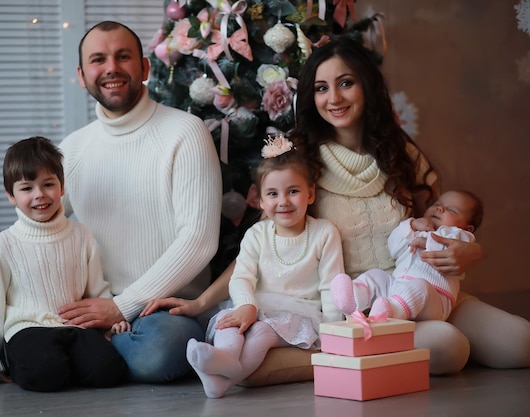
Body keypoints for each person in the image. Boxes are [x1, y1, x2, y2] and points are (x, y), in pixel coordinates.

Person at [143, 36, 530, 380]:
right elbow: (257, 249)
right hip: (364, 303)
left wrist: (472, 250)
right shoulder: (301, 161)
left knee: (521, 344)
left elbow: (439, 223)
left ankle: (356, 358)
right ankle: (342, 354)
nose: (335, 98)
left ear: (367, 86)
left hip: (425, 290)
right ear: (311, 96)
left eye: (346, 83)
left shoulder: (401, 151)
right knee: (449, 348)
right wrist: (201, 301)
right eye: (322, 88)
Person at [0, 21, 222, 383]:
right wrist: (24, 305)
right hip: (82, 308)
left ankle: (59, 358)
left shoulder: (185, 132)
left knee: (157, 354)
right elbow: (37, 221)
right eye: (98, 59)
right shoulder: (72, 149)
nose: (111, 68)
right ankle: (67, 352)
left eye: (123, 56)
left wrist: (122, 306)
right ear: (81, 74)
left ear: (145, 67)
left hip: (160, 307)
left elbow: (198, 240)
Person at [0, 136, 129, 392]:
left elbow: (96, 288)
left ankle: (67, 365)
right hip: (27, 328)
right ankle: (31, 364)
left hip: (74, 326)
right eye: (27, 188)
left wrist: (108, 323)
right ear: (11, 196)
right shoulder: (5, 243)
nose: (39, 195)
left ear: (61, 188)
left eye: (48, 184)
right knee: (44, 373)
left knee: (108, 372)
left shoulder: (81, 235)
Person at [186, 135, 344, 398]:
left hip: (301, 314)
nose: (283, 201)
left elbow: (331, 286)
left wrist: (332, 333)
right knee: (230, 322)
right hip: (258, 306)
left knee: (261, 330)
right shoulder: (257, 234)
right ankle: (223, 361)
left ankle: (226, 376)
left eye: (293, 191)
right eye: (272, 194)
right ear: (260, 200)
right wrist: (246, 305)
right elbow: (241, 277)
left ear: (310, 193)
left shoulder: (324, 233)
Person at [332, 190, 483, 321]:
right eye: (437, 204)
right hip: (397, 287)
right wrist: (411, 226)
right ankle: (353, 298)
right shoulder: (416, 230)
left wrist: (427, 242)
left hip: (434, 299)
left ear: (468, 227)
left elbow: (450, 247)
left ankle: (392, 311)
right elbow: (394, 247)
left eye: (452, 210)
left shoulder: (462, 236)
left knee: (420, 286)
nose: (440, 208)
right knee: (377, 276)